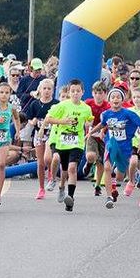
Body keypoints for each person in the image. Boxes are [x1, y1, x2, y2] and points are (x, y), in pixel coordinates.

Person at [45, 80, 93, 212]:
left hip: (77, 142)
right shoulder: (63, 105)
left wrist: (89, 123)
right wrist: (62, 121)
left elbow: (89, 120)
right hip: (62, 142)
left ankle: (70, 198)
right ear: (69, 92)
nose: (75, 94)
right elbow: (48, 118)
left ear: (83, 92)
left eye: (78, 91)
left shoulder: (86, 108)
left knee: (72, 168)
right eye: (73, 91)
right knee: (63, 167)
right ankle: (56, 182)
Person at [97, 88, 140, 210]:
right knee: (107, 167)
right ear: (109, 100)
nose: (115, 99)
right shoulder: (106, 114)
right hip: (111, 145)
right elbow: (104, 124)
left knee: (119, 176)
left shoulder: (128, 113)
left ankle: (114, 182)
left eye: (118, 97)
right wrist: (96, 132)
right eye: (113, 97)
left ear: (123, 100)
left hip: (125, 148)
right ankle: (108, 197)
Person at [25, 78, 57, 199]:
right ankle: (41, 188)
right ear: (40, 90)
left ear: (52, 91)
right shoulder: (35, 104)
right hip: (39, 135)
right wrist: (32, 121)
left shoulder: (56, 103)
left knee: (48, 158)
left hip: (51, 134)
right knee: (40, 162)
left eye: (49, 89)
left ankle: (50, 171)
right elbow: (29, 117)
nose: (47, 91)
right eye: (44, 88)